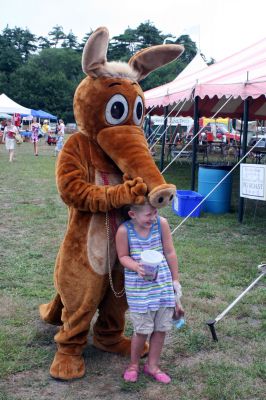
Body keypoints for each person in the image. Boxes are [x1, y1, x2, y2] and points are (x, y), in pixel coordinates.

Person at [115, 200, 182, 384]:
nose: (153, 218)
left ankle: (152, 366)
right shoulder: (124, 231)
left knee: (161, 329)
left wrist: (175, 281)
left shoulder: (161, 224)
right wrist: (136, 266)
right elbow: (123, 256)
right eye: (148, 215)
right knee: (142, 330)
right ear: (132, 215)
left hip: (162, 286)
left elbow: (170, 252)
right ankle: (133, 365)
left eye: (155, 213)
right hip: (139, 290)